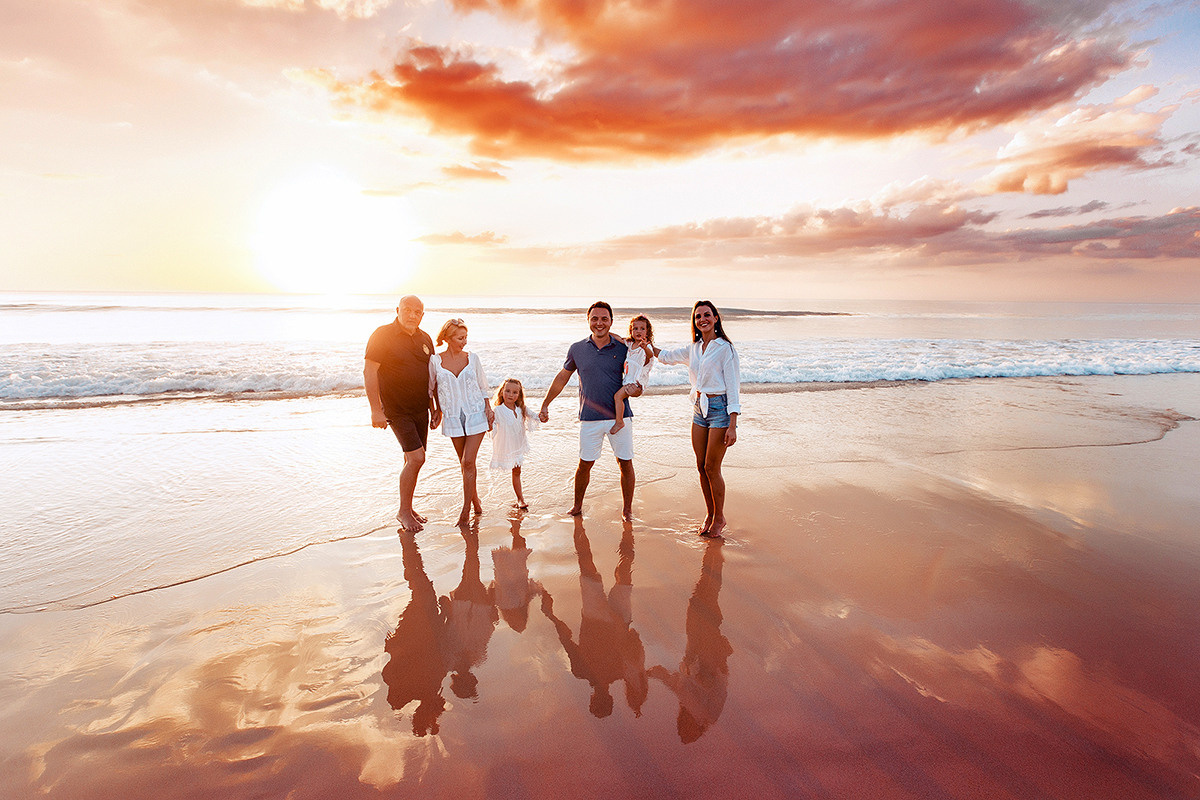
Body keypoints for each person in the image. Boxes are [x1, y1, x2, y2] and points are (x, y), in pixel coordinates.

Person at [539, 301, 636, 519]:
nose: (599, 323)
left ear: (611, 321)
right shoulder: (577, 349)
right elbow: (562, 378)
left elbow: (642, 364)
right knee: (584, 464)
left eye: (604, 319)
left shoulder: (623, 348)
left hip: (619, 416)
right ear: (588, 321)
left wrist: (637, 389)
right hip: (589, 418)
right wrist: (545, 404)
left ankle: (627, 510)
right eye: (595, 318)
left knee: (625, 463)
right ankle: (577, 506)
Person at [653, 300, 741, 538]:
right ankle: (710, 514)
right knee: (701, 467)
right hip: (698, 409)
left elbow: (733, 387)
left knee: (713, 467)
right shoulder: (694, 348)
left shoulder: (725, 349)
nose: (702, 319)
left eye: (707, 315)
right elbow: (665, 356)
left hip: (720, 409)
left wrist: (733, 424)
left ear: (715, 318)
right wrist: (643, 343)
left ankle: (720, 517)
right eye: (698, 316)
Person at [365, 295, 440, 532]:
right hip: (397, 409)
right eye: (407, 310)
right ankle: (403, 512)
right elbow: (369, 372)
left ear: (422, 315)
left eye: (417, 312)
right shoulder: (382, 335)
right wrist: (376, 410)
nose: (412, 315)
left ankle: (408, 506)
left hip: (421, 409)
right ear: (398, 310)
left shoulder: (425, 338)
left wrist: (435, 406)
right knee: (417, 458)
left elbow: (431, 376)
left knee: (411, 460)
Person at [429, 318, 495, 527]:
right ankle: (475, 501)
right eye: (460, 338)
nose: (464, 341)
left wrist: (488, 408)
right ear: (448, 338)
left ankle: (465, 510)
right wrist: (435, 411)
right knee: (464, 463)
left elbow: (482, 386)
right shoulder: (435, 361)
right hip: (452, 416)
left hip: (476, 412)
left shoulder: (472, 358)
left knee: (468, 462)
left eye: (466, 337)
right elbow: (431, 389)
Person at [490, 377, 538, 510]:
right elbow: (491, 426)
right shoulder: (498, 410)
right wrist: (490, 426)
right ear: (501, 392)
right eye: (508, 391)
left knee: (517, 471)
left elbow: (535, 416)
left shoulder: (521, 408)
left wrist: (543, 416)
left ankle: (520, 499)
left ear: (519, 395)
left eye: (515, 392)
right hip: (508, 446)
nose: (511, 395)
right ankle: (519, 498)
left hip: (518, 445)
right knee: (516, 471)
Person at [610, 315, 655, 435]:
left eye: (642, 329)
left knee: (617, 397)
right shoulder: (630, 344)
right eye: (635, 329)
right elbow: (619, 338)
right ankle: (621, 419)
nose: (638, 331)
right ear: (631, 331)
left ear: (647, 331)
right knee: (620, 397)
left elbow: (650, 356)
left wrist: (645, 347)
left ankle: (619, 421)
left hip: (636, 381)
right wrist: (607, 331)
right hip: (629, 380)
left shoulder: (646, 346)